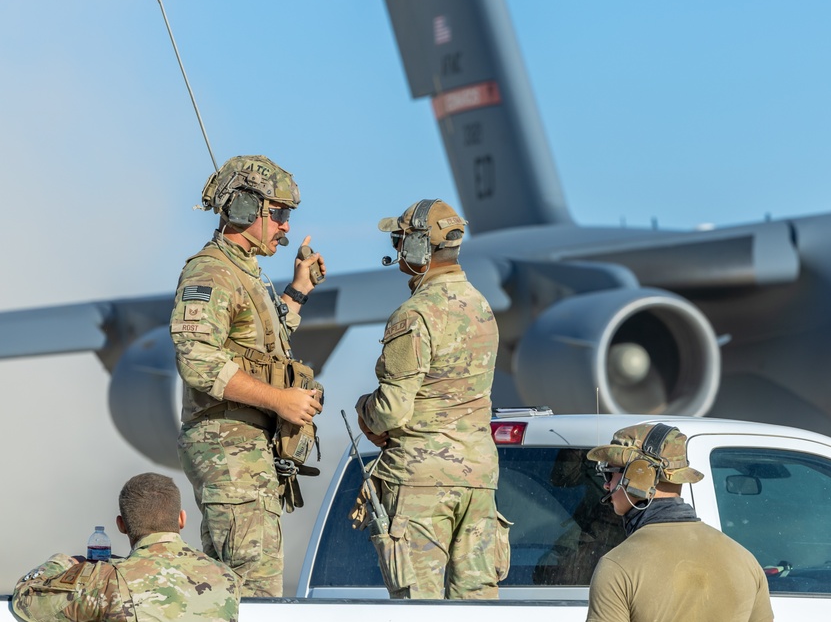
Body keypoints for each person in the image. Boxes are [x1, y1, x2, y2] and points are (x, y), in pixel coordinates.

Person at [171, 155, 325, 596]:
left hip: (246, 451)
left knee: (257, 586)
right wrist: (280, 402)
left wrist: (298, 291)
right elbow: (197, 358)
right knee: (250, 593)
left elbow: (261, 349)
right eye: (277, 213)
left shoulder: (247, 272)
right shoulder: (211, 271)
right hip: (227, 448)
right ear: (242, 210)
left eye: (287, 215)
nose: (286, 227)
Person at [355, 198, 506, 599]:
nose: (396, 248)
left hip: (423, 482)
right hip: (478, 478)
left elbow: (391, 409)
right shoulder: (481, 307)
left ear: (419, 247)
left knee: (419, 605)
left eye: (400, 239)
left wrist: (363, 411)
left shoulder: (416, 313)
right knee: (476, 601)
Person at [585, 423, 773, 622]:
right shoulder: (745, 561)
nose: (606, 484)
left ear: (639, 476)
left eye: (609, 473)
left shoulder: (617, 566)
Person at [12, 473, 241, 622]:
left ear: (121, 525)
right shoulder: (226, 577)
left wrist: (64, 562)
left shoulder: (107, 579)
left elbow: (25, 599)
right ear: (182, 519)